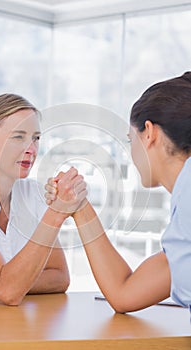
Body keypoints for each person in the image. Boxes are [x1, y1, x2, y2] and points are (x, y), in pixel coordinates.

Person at [45, 71, 191, 313]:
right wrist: (79, 207)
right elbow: (125, 293)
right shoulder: (182, 239)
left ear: (149, 133)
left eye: (129, 139)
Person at [0, 93, 87, 305]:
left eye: (35, 138)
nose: (31, 149)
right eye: (18, 137)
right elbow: (9, 292)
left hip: (8, 326)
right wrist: (56, 213)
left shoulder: (32, 195)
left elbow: (59, 277)